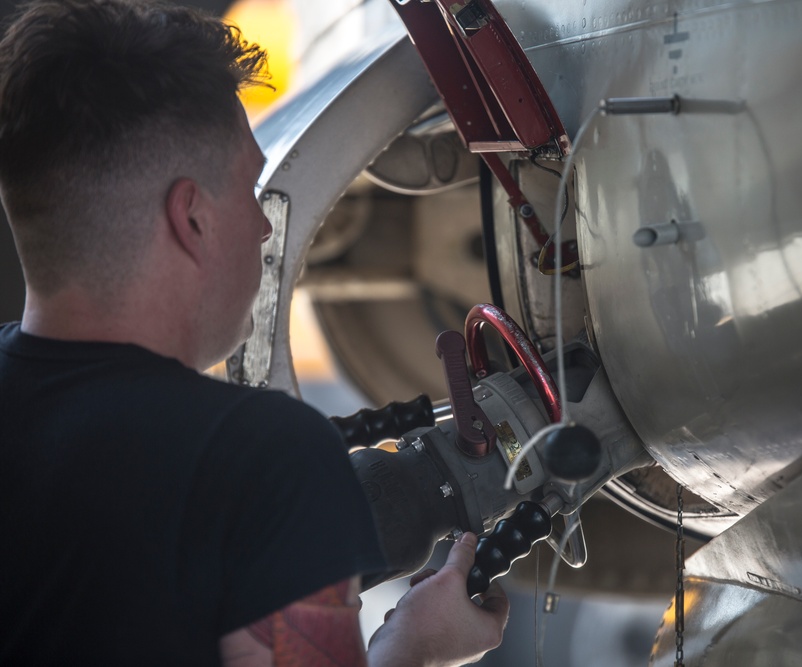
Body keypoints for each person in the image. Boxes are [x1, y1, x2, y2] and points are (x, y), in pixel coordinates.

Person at [0, 0, 509, 665]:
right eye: (247, 187)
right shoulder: (265, 459)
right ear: (193, 219)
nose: (264, 226)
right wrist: (413, 645)